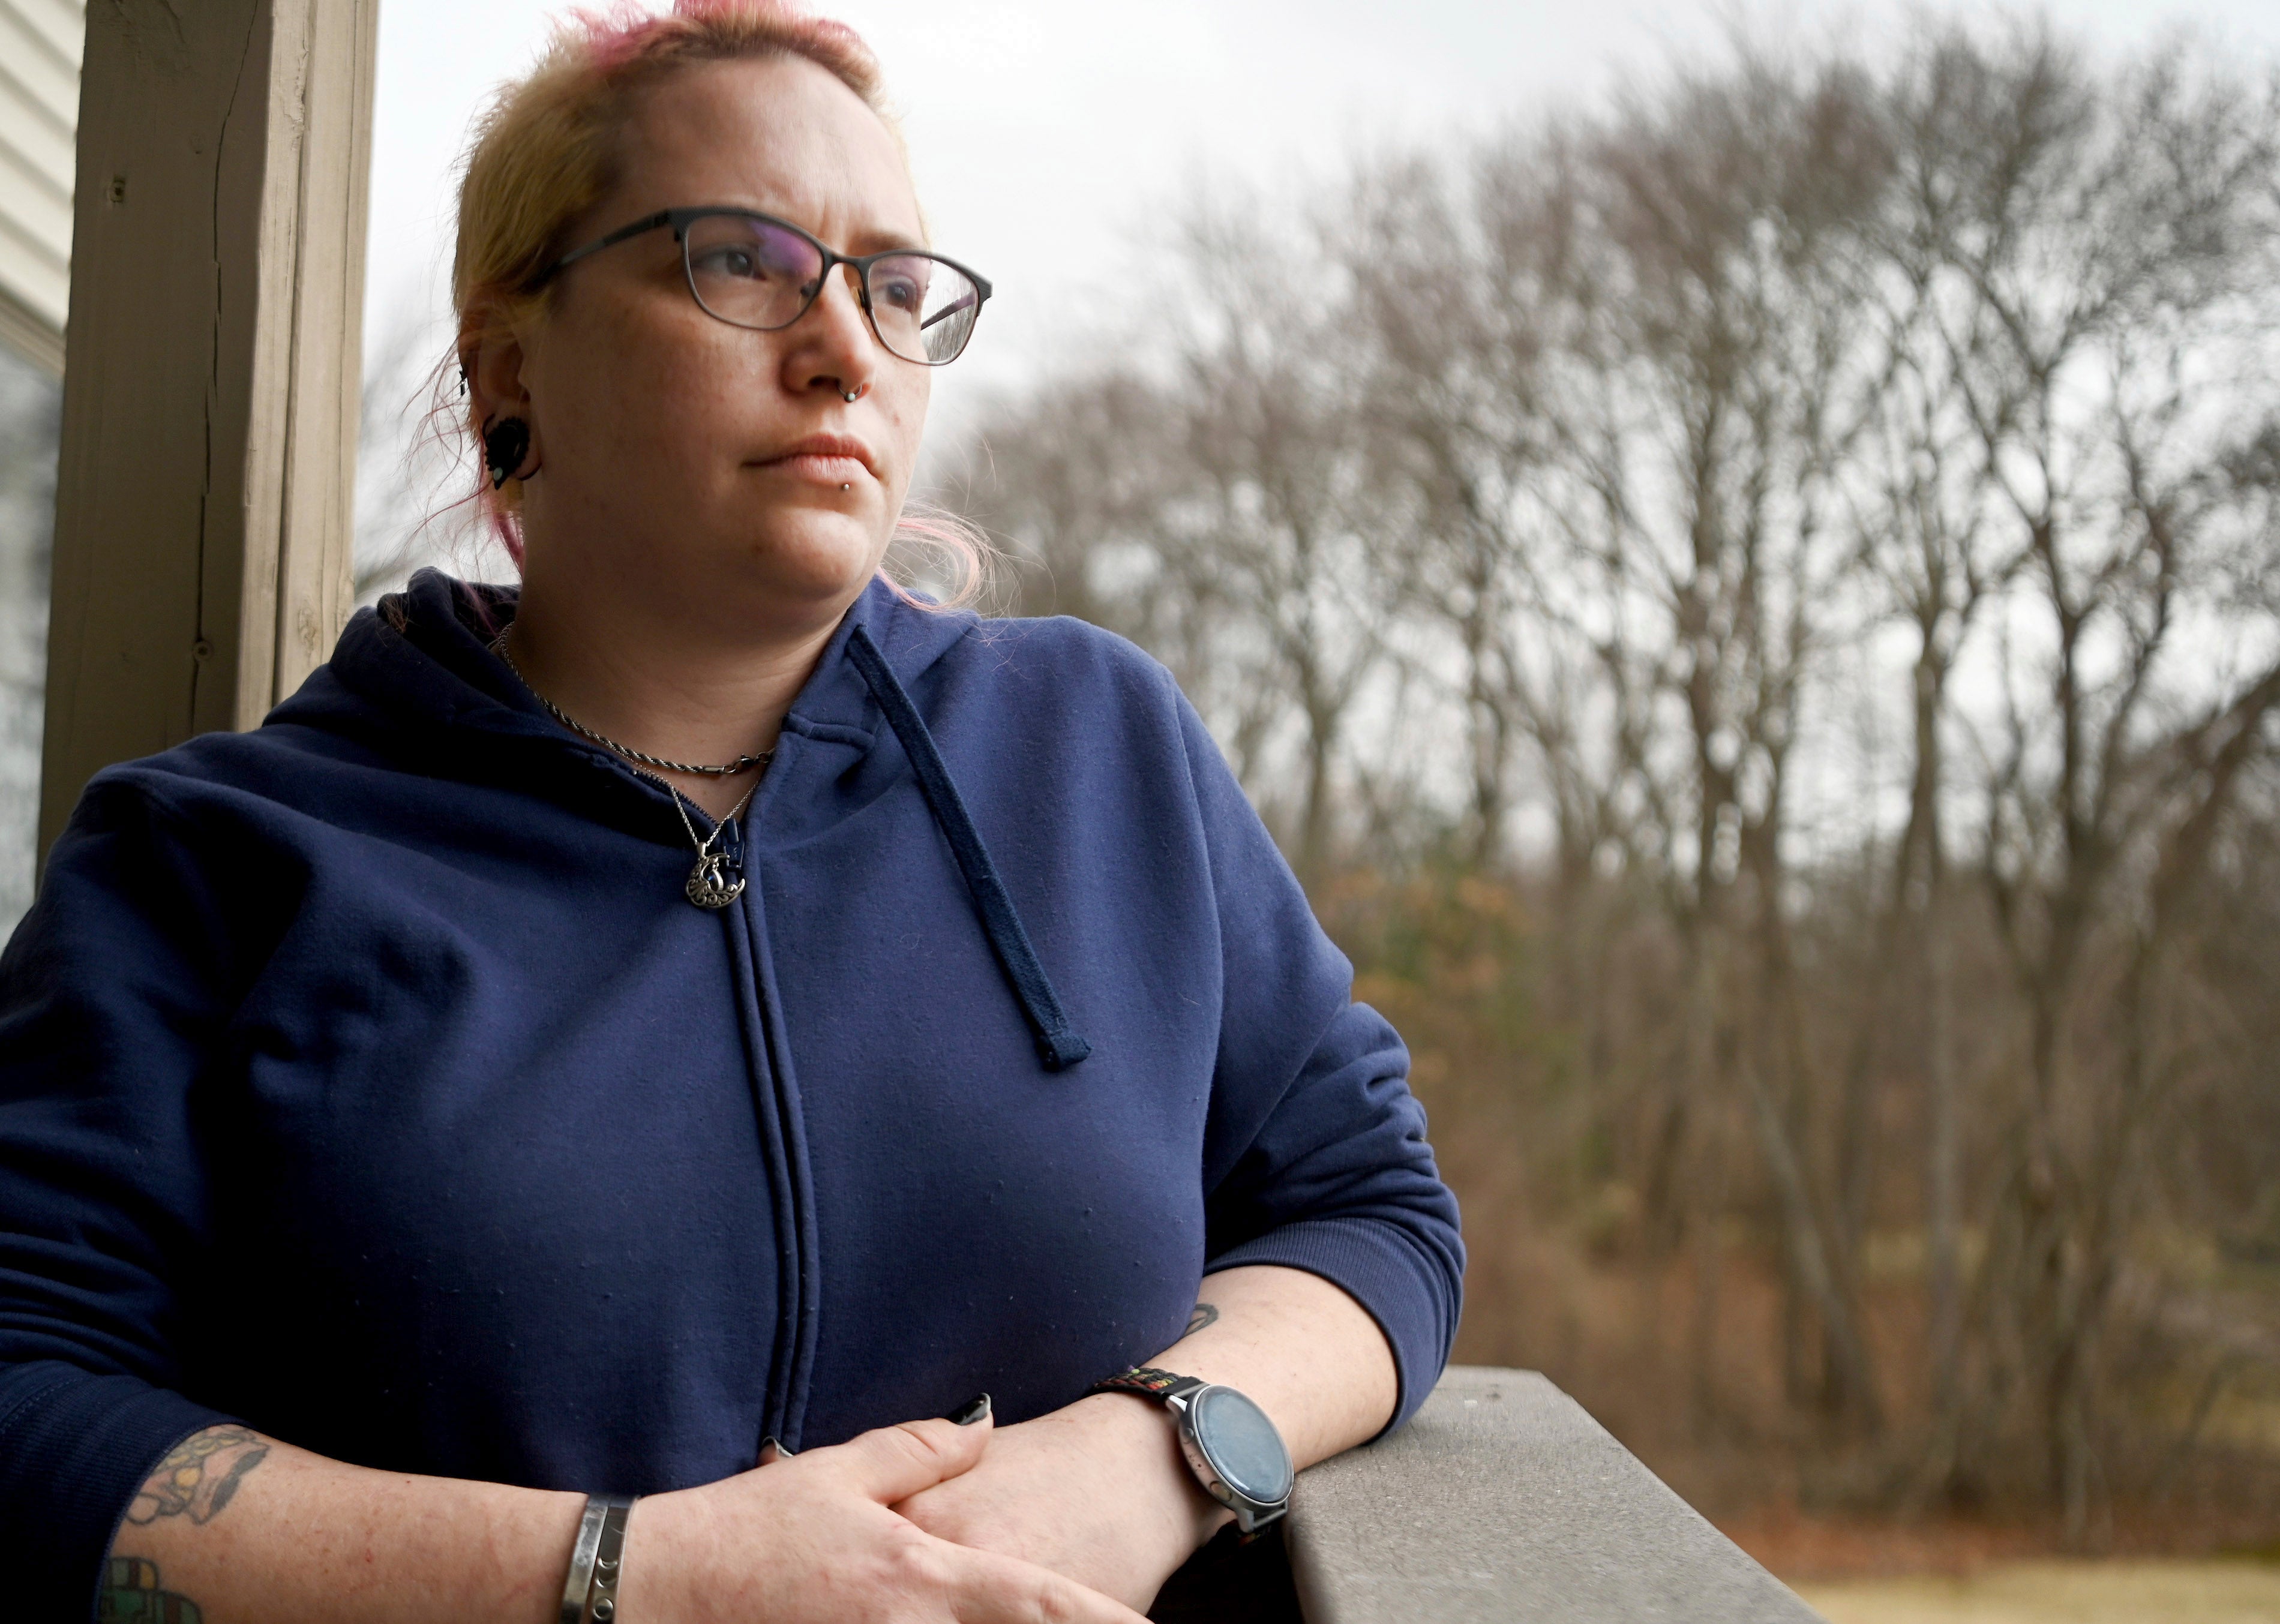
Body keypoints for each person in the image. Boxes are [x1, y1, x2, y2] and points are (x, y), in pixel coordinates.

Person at [0, 4, 1463, 1620]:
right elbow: (24, 1397)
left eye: (897, 287)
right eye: (743, 261)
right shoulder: (217, 861)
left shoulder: (1100, 751)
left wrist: (1164, 1442)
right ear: (509, 365)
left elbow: (1367, 1206)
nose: (846, 343)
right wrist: (628, 1578)